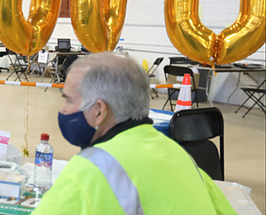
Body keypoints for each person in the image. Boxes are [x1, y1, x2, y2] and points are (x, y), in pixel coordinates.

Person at [32, 52, 236, 214]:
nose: (64, 111)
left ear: (99, 110)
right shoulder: (180, 156)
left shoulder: (92, 169)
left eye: (68, 100)